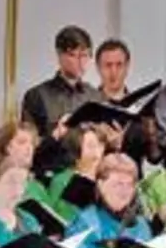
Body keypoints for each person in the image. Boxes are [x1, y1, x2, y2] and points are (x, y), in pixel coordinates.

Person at [22, 25, 106, 174]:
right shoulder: (37, 96)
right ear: (60, 55)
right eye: (74, 55)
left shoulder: (96, 97)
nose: (80, 62)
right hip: (51, 175)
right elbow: (27, 148)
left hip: (87, 175)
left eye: (85, 55)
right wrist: (55, 135)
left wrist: (113, 140)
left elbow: (103, 145)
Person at [46, 124, 117, 223]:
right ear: (76, 149)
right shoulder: (62, 181)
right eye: (90, 146)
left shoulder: (108, 178)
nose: (97, 151)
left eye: (100, 145)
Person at [95, 39, 132, 104]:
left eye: (119, 65)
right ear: (98, 67)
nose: (114, 72)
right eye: (108, 65)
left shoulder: (140, 108)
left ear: (127, 66)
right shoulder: (85, 107)